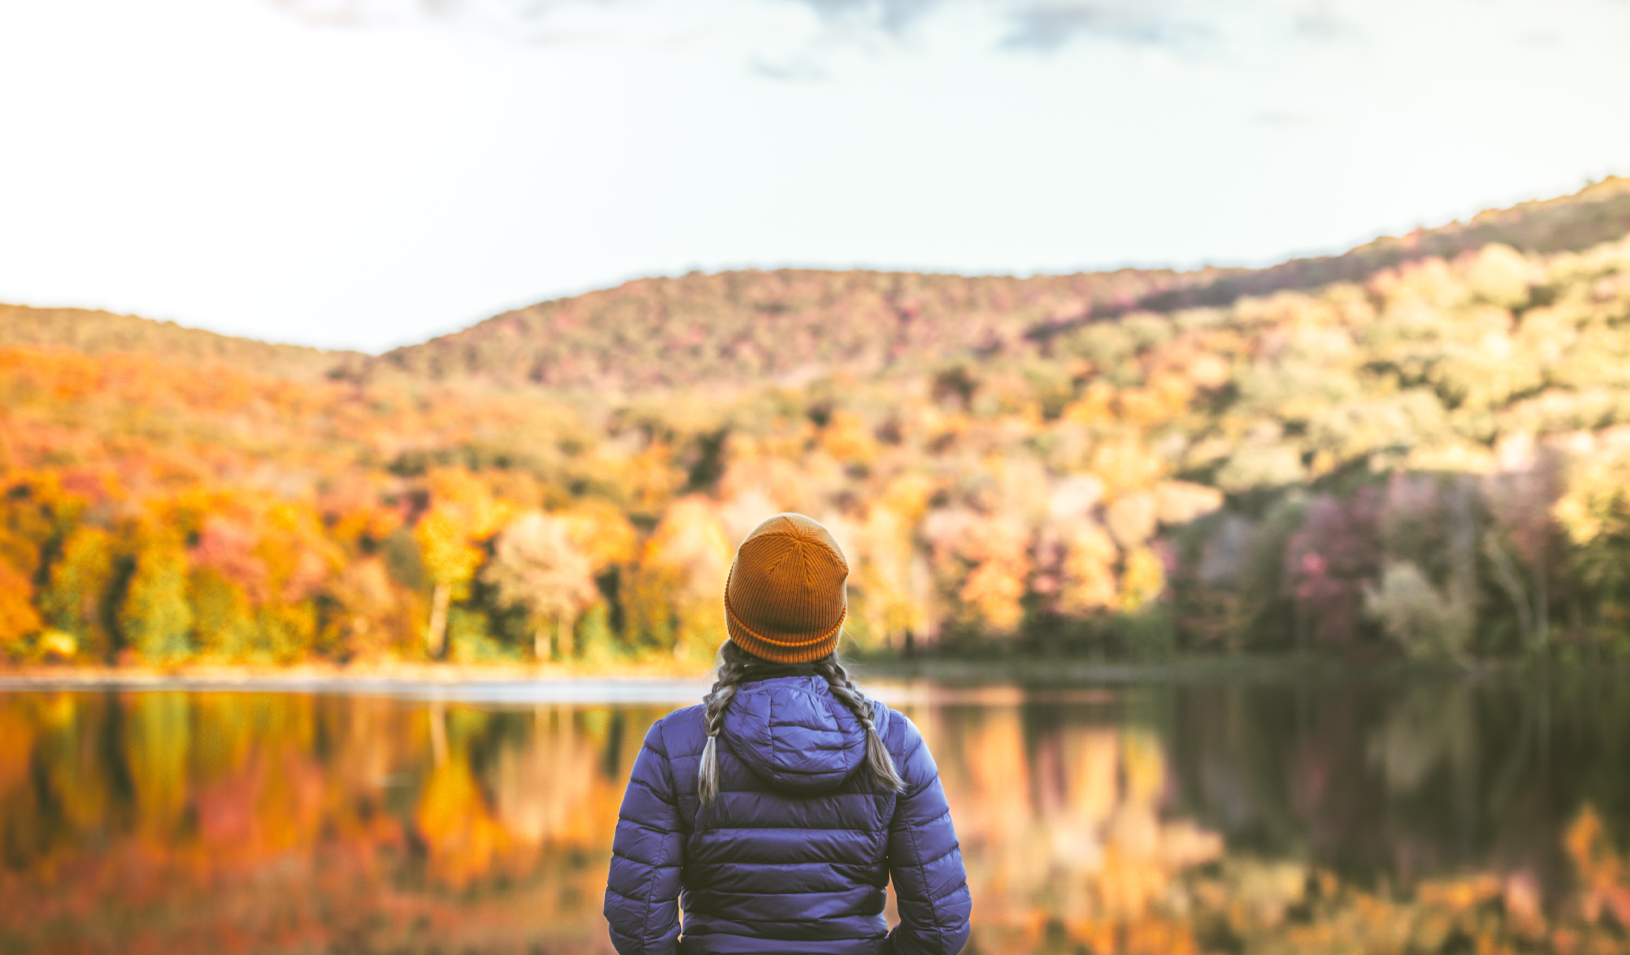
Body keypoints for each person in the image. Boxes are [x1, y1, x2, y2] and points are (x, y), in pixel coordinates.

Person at [604, 513, 971, 955]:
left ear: (734, 616)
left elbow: (639, 929)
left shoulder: (676, 744)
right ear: (834, 623)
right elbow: (940, 927)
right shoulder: (894, 742)